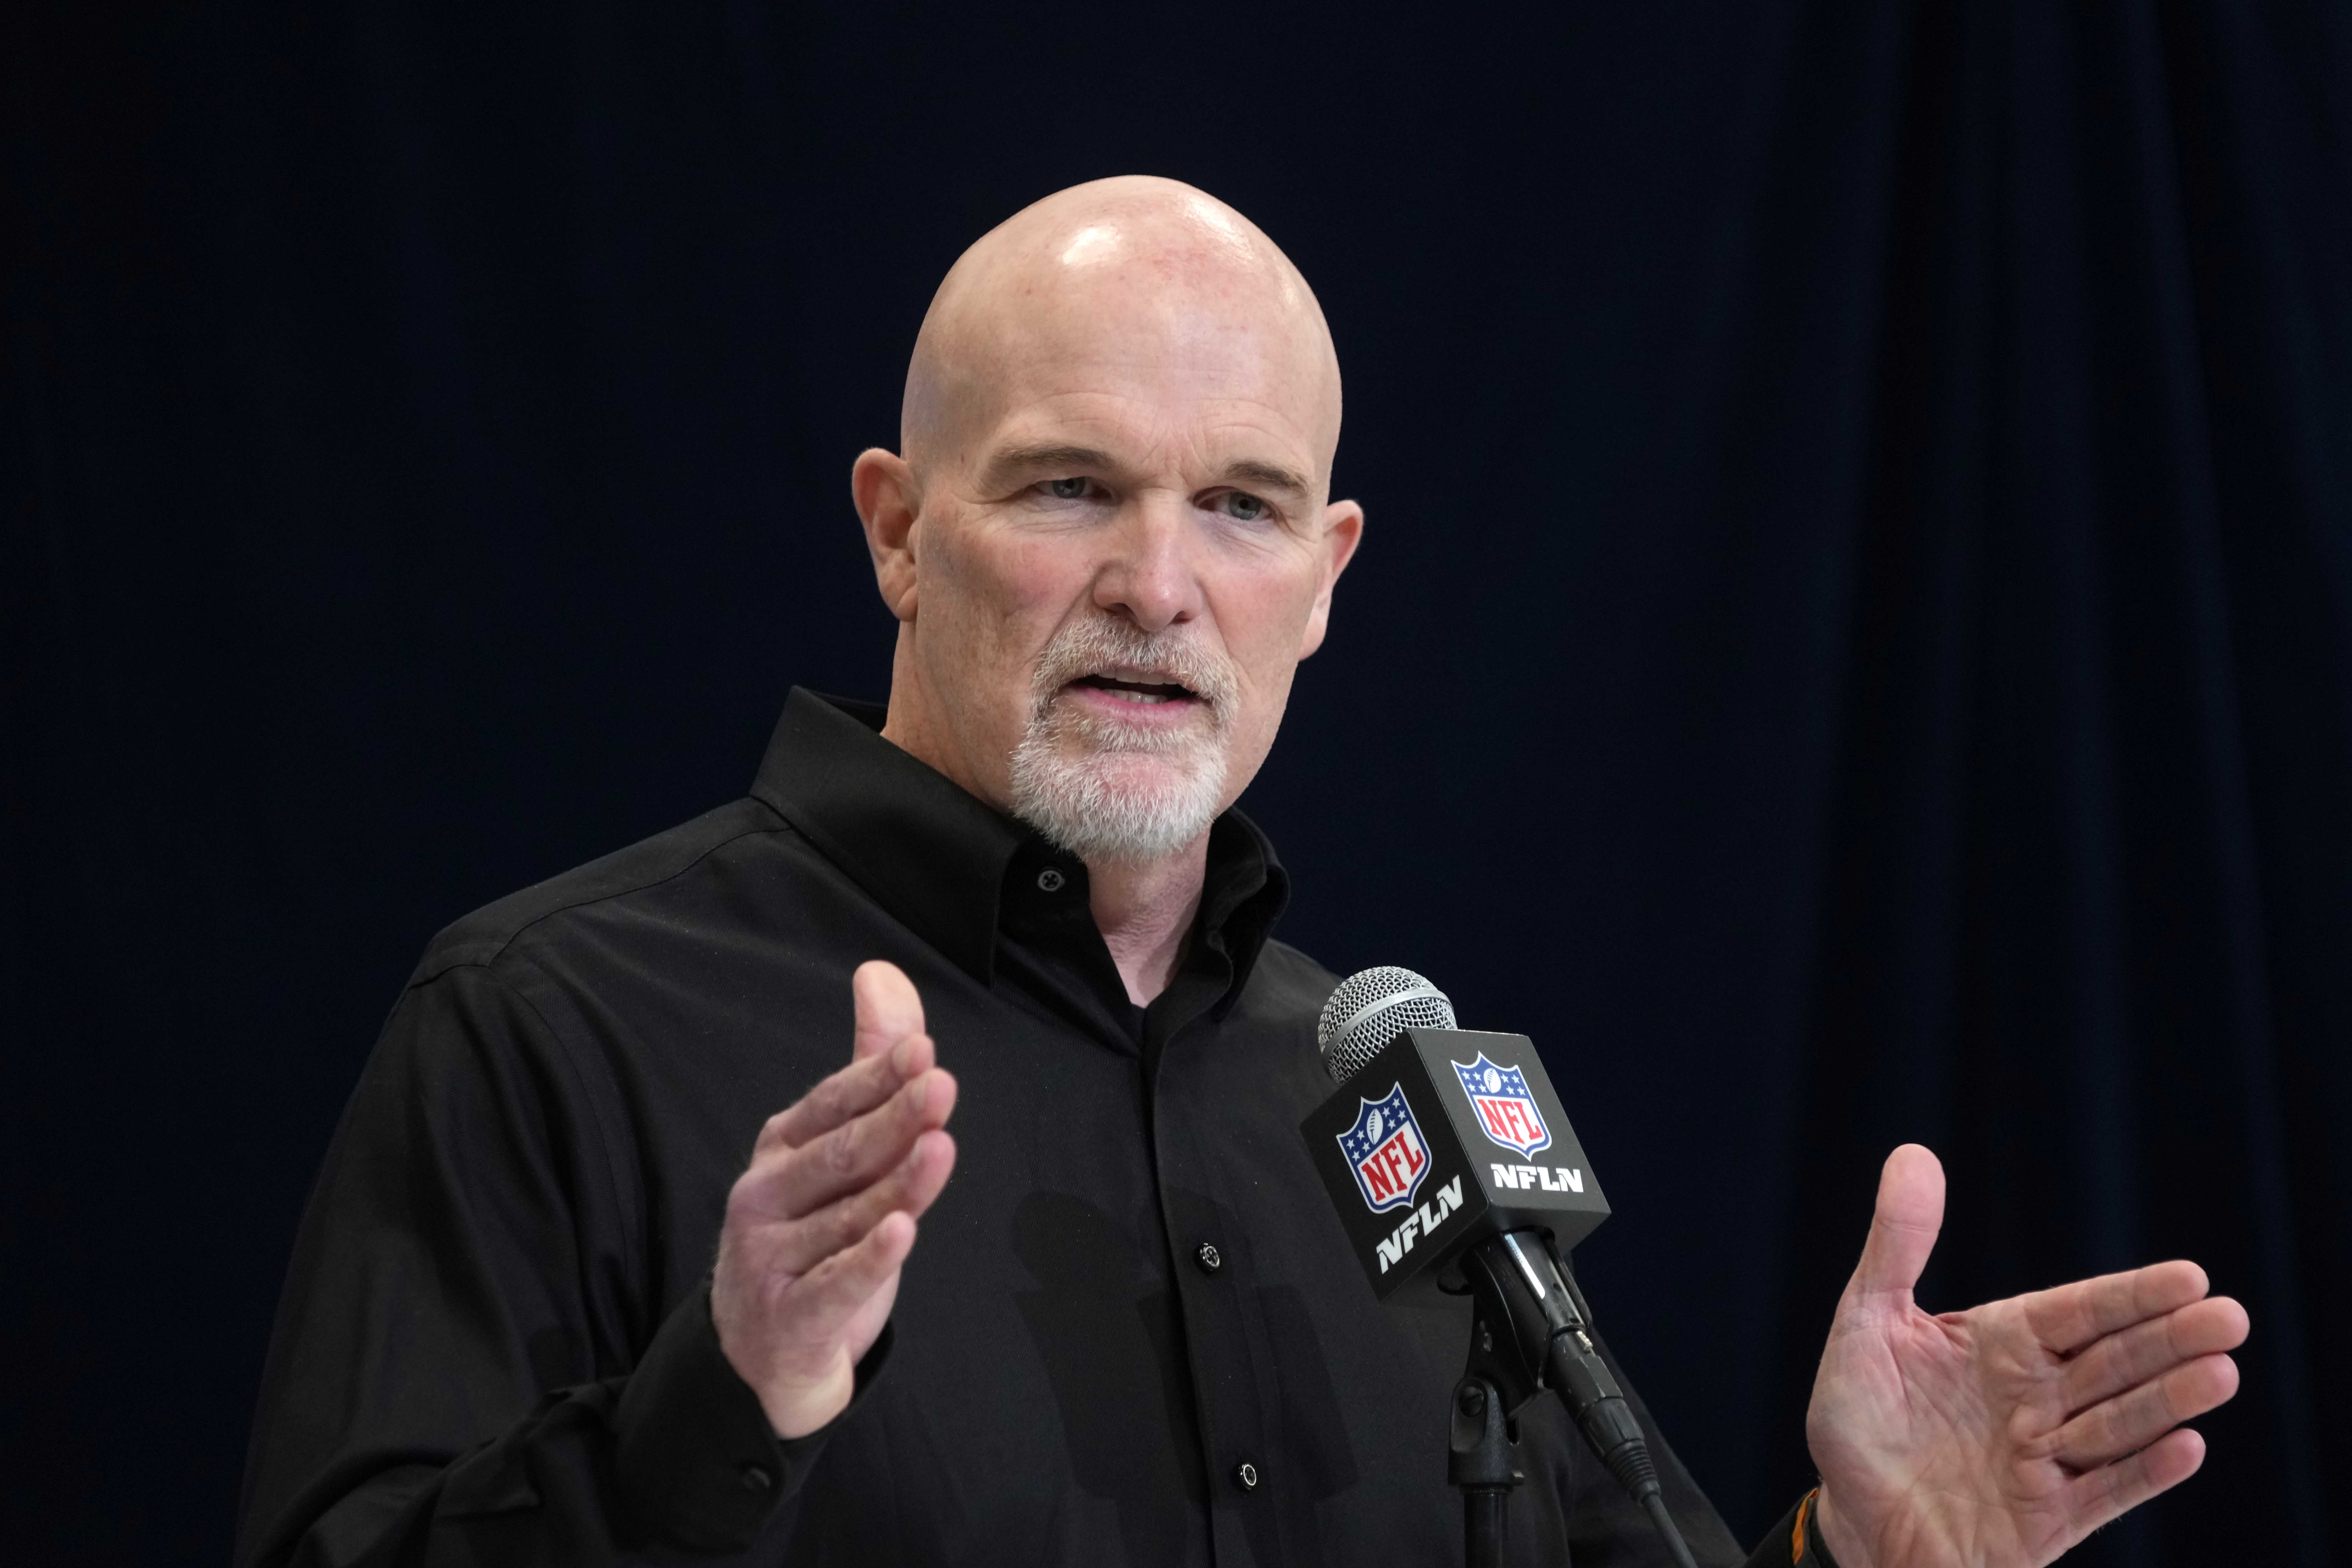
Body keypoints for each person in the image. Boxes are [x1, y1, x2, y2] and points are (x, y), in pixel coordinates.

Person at [236, 177, 2249, 1568]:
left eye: (1241, 505)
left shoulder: (1382, 1098)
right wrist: (725, 1396)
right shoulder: (555, 1022)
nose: (1157, 583)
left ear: (1327, 578)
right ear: (897, 530)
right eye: (1067, 485)